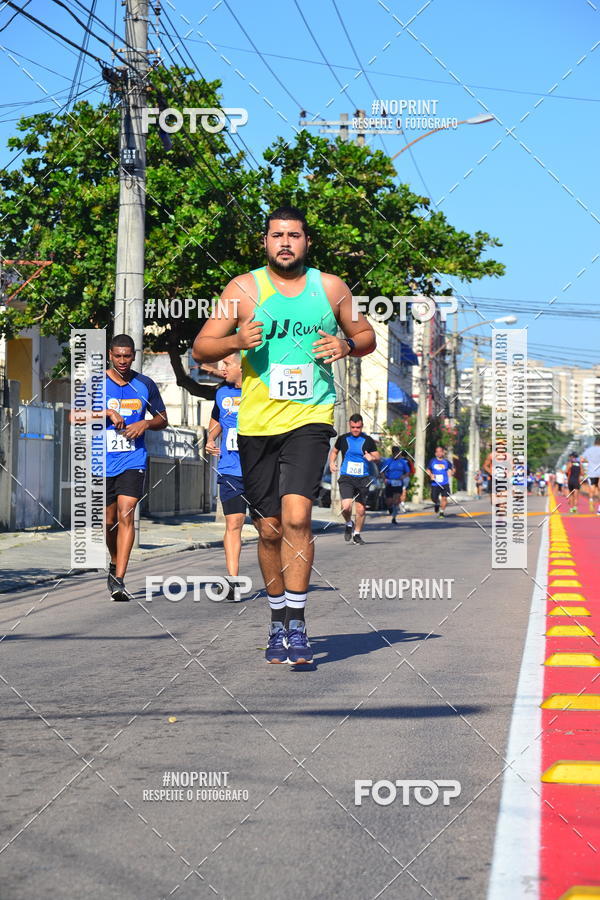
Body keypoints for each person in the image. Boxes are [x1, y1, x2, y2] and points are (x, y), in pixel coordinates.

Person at [192, 206, 376, 664]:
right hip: (256, 424)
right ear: (266, 242)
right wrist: (236, 342)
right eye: (278, 235)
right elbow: (201, 347)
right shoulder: (243, 288)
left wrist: (347, 344)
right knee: (269, 529)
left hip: (310, 418)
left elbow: (366, 334)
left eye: (294, 235)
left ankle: (297, 624)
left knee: (297, 518)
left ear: (307, 242)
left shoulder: (330, 287)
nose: (286, 243)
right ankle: (277, 622)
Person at [104, 335, 168, 601]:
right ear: (110, 355)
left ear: (133, 356)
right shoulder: (96, 384)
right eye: (118, 356)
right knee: (108, 523)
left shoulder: (145, 384)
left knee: (126, 514)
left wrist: (145, 424)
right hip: (102, 462)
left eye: (127, 356)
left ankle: (119, 579)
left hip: (134, 460)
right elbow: (75, 415)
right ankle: (114, 560)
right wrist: (106, 414)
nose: (122, 361)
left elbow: (163, 418)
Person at [205, 353, 248, 602]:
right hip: (231, 470)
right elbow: (217, 419)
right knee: (234, 523)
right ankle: (233, 581)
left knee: (269, 528)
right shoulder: (221, 393)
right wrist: (210, 439)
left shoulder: (261, 389)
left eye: (228, 364)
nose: (223, 368)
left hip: (259, 471)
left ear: (243, 366)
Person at [329, 414, 381, 540]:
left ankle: (357, 534)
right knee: (346, 506)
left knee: (361, 510)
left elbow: (377, 457)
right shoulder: (343, 439)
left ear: (362, 426)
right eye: (353, 427)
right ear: (349, 425)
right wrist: (332, 462)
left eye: (358, 427)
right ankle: (348, 523)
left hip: (363, 478)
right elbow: (334, 451)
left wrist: (372, 458)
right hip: (347, 476)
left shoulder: (368, 440)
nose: (355, 430)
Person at [379, 445, 410, 523]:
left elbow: (408, 472)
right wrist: (384, 479)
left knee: (396, 500)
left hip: (399, 482)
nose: (396, 454)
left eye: (397, 453)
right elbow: (382, 472)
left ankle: (394, 517)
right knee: (389, 501)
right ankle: (390, 508)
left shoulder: (403, 462)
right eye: (394, 453)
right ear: (392, 453)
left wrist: (403, 476)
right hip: (390, 482)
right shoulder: (388, 461)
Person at [426, 446, 454, 518]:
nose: (439, 453)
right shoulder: (432, 461)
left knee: (444, 498)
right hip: (435, 483)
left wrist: (451, 472)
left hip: (444, 483)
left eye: (440, 451)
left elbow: (452, 469)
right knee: (434, 498)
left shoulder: (446, 462)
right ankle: (437, 503)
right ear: (435, 453)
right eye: (437, 452)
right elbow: (428, 470)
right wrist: (430, 475)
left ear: (443, 452)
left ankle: (442, 512)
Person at [581, 436, 600, 514]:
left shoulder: (589, 450)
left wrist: (588, 461)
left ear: (594, 443)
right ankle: (599, 509)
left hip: (591, 472)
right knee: (599, 490)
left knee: (591, 490)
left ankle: (591, 500)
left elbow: (582, 459)